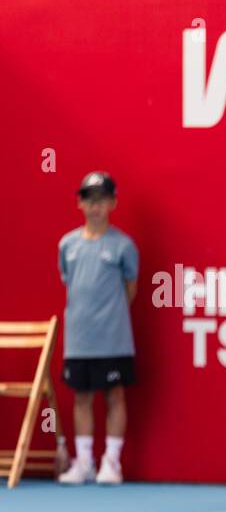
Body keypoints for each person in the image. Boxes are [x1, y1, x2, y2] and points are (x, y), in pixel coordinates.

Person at [56, 171, 139, 485]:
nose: (95, 207)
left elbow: (131, 287)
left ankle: (112, 462)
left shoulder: (123, 246)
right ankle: (84, 462)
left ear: (113, 203)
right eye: (89, 200)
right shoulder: (68, 245)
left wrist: (111, 316)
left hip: (114, 339)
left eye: (102, 201)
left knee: (115, 395)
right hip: (79, 338)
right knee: (82, 396)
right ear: (80, 203)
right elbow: (69, 282)